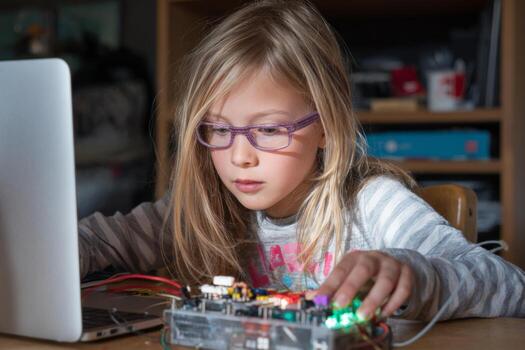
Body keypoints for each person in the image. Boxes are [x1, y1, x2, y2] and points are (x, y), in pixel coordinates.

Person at [78, 0, 525, 321]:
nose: (239, 157)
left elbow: (510, 287)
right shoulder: (200, 211)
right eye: (218, 128)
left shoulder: (373, 204)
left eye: (269, 129)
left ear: (328, 125)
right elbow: (96, 241)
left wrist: (414, 274)